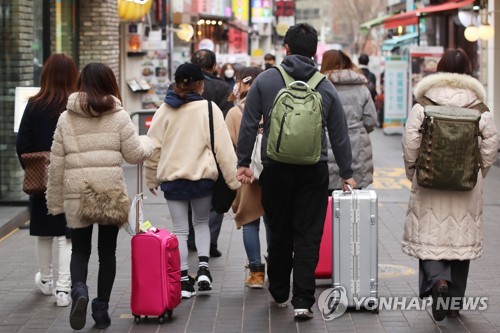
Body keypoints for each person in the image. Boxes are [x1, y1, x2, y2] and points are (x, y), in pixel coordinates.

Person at [236, 23, 356, 319]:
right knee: (308, 234)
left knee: (279, 231)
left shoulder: (265, 81)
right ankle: (302, 301)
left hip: (275, 169)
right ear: (315, 51)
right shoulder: (324, 85)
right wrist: (346, 171)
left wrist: (242, 163)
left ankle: (278, 290)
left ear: (285, 48)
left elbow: (249, 123)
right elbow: (339, 133)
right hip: (314, 171)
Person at [46, 63, 153, 330]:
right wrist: (148, 143)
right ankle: (101, 309)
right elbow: (134, 154)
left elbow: (56, 164)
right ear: (110, 84)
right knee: (108, 254)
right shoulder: (119, 116)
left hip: (76, 193)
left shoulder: (66, 117)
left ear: (81, 83)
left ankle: (79, 290)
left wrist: (55, 202)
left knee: (80, 250)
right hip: (109, 192)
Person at [401, 48, 498, 321]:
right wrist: (479, 171)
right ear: (468, 71)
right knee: (460, 241)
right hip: (467, 184)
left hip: (429, 182)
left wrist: (414, 172)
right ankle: (454, 302)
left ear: (439, 70)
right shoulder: (479, 107)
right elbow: (491, 144)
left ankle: (438, 283)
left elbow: (410, 143)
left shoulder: (424, 103)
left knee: (429, 239)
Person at [144, 63, 239, 299]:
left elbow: (152, 146)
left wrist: (151, 177)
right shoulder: (209, 109)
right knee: (202, 223)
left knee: (179, 230)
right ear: (200, 85)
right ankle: (204, 269)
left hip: (173, 179)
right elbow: (224, 149)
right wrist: (233, 180)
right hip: (201, 178)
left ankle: (184, 279)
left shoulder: (164, 110)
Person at [16, 53, 78, 308]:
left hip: (41, 178)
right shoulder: (76, 105)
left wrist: (33, 168)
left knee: (43, 231)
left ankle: (46, 281)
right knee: (67, 234)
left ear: (46, 74)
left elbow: (22, 144)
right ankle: (64, 289)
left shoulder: (34, 104)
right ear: (73, 75)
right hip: (71, 176)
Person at [225, 66, 270, 289]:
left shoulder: (235, 113)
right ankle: (277, 263)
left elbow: (227, 147)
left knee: (250, 221)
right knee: (273, 221)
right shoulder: (274, 107)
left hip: (246, 174)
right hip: (272, 171)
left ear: (244, 82)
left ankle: (256, 273)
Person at [190, 49, 234, 257]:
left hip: (187, 149)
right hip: (214, 150)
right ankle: (210, 242)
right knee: (217, 198)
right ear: (215, 66)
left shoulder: (179, 88)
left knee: (188, 193)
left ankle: (191, 237)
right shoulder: (223, 87)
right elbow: (226, 120)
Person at [320, 50, 377, 191]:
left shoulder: (320, 86)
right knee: (351, 203)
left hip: (326, 145)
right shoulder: (361, 87)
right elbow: (371, 120)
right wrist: (356, 129)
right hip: (357, 146)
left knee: (325, 202)